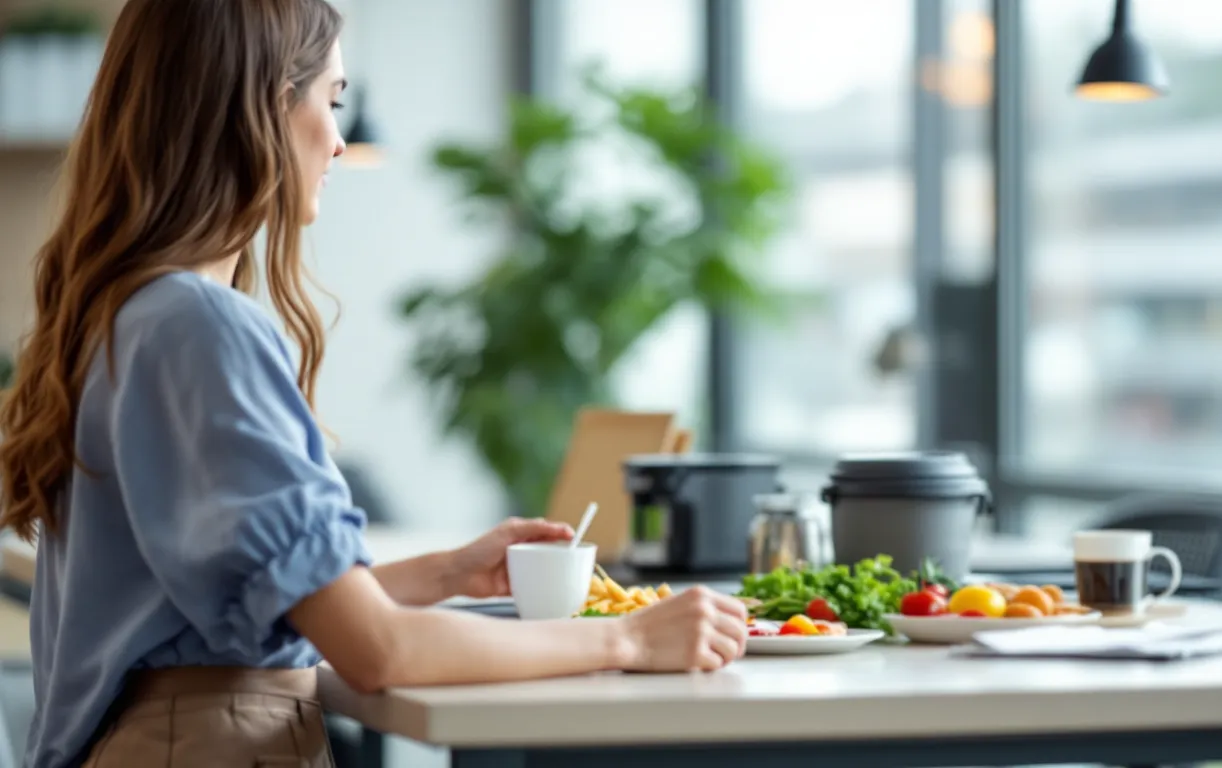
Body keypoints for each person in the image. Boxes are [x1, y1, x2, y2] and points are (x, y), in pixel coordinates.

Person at [0, 1, 749, 765]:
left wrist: (448, 572)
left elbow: (234, 616)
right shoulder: (199, 326)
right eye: (331, 101)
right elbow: (377, 652)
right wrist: (626, 637)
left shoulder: (128, 316)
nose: (339, 138)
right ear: (257, 109)